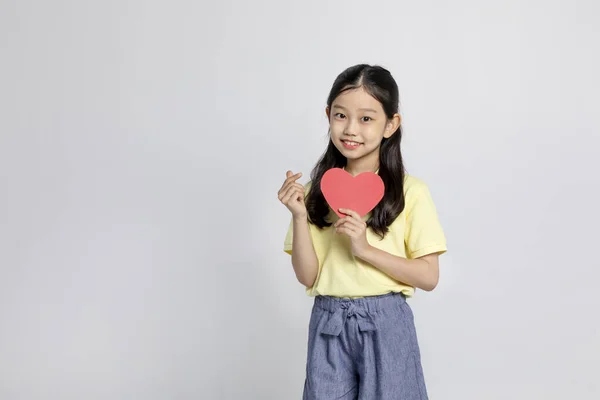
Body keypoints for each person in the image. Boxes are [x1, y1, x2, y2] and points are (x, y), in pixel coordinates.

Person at [277, 64, 447, 400]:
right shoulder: (314, 192)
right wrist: (298, 216)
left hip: (386, 322)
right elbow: (308, 277)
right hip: (328, 321)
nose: (351, 129)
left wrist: (365, 248)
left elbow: (428, 276)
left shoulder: (411, 192)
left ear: (391, 124)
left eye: (366, 118)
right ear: (328, 115)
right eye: (341, 115)